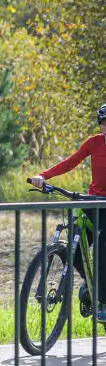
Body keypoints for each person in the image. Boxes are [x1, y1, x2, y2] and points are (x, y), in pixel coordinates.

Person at [30, 103, 106, 321]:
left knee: (102, 249)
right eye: (103, 123)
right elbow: (70, 163)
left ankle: (104, 301)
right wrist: (43, 176)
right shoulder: (93, 142)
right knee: (75, 248)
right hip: (92, 202)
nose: (105, 127)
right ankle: (92, 286)